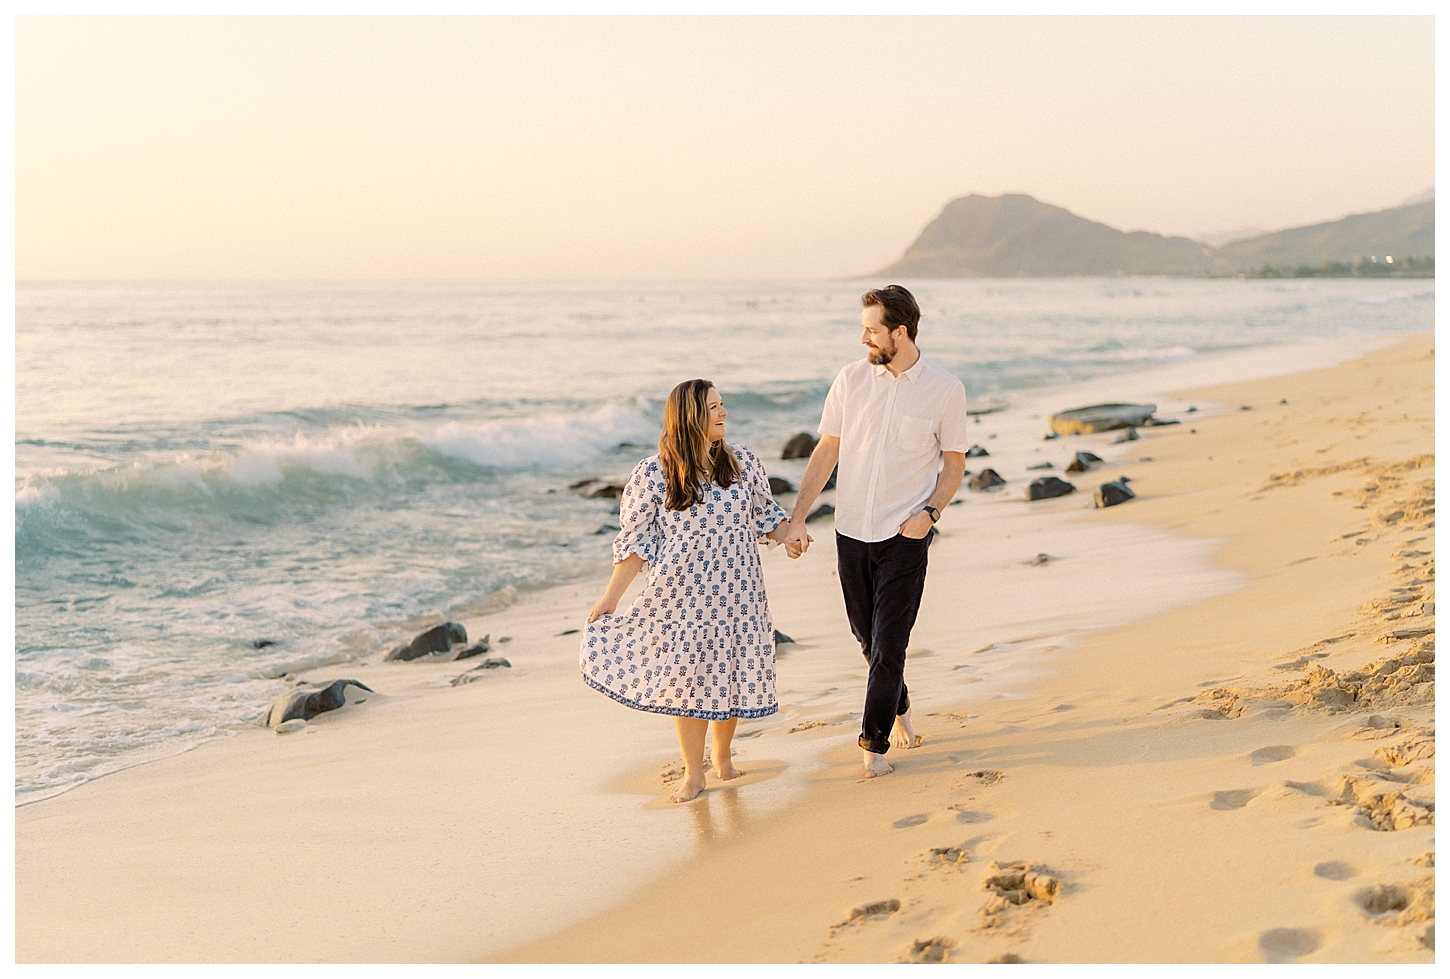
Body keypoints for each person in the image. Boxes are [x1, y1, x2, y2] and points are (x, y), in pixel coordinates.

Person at [784, 285, 969, 778]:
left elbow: (954, 465)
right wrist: (799, 517)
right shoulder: (850, 380)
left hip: (905, 536)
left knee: (890, 644)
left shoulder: (946, 390)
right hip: (851, 533)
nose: (863, 337)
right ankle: (900, 704)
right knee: (866, 640)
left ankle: (874, 745)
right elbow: (827, 451)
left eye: (871, 329)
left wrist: (928, 514)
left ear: (900, 332)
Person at [581, 379, 793, 803]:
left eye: (722, 404)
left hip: (740, 592)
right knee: (687, 683)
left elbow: (767, 516)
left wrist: (792, 536)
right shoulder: (654, 473)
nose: (723, 412)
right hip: (682, 598)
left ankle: (723, 755)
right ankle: (694, 774)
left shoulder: (742, 463)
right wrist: (611, 598)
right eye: (714, 407)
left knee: (732, 673)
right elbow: (637, 543)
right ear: (691, 417)